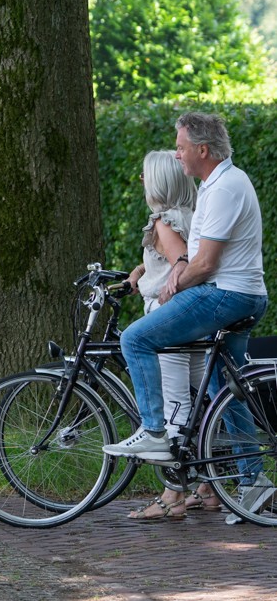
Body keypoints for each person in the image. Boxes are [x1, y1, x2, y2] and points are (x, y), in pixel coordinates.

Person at [104, 113, 268, 483]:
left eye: (180, 148)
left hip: (224, 295)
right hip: (240, 293)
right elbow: (197, 256)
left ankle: (155, 433)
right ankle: (254, 483)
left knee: (135, 337)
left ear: (203, 150)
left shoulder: (225, 187)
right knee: (227, 388)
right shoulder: (216, 184)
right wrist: (180, 265)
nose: (176, 155)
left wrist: (174, 285)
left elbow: (207, 264)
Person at [120, 150, 212, 520]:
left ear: (160, 182)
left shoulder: (162, 220)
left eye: (146, 176)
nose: (142, 182)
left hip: (170, 317)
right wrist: (142, 269)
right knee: (201, 404)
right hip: (196, 318)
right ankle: (208, 487)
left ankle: (172, 495)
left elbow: (180, 262)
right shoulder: (190, 216)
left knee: (176, 408)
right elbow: (174, 254)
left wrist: (166, 287)